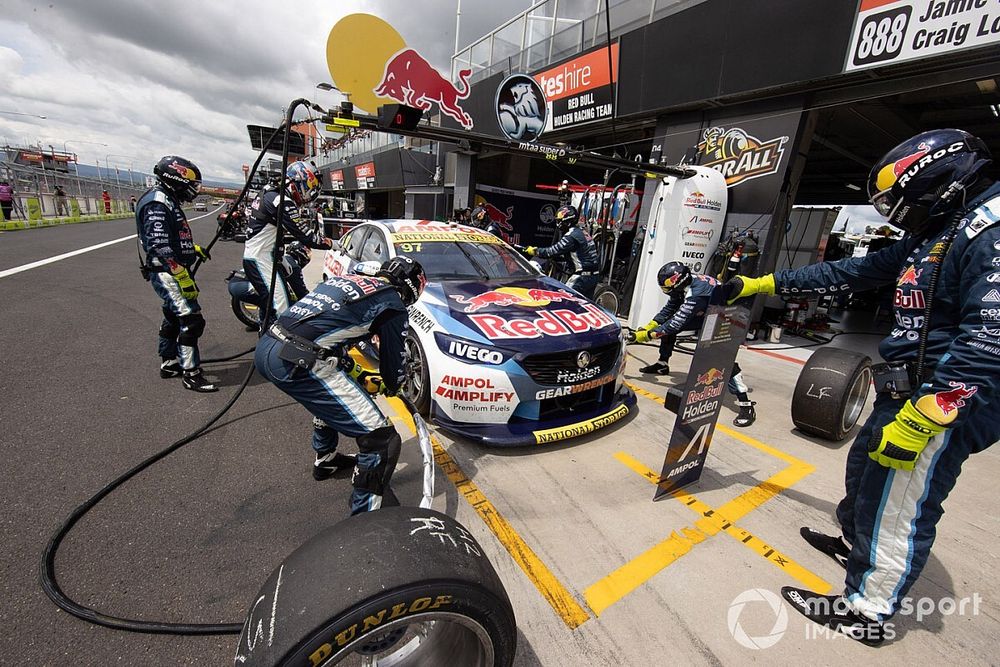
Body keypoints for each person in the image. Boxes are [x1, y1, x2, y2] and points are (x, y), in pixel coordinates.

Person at [730, 129, 1000, 644]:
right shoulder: (939, 233)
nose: (898, 213)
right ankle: (858, 544)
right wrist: (762, 284)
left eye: (902, 202)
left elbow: (991, 339)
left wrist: (928, 414)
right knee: (865, 479)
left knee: (898, 503)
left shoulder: (991, 228)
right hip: (904, 392)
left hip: (942, 401)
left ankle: (869, 610)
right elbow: (853, 270)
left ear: (938, 181)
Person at [255, 256, 427, 515]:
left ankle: (326, 459)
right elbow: (393, 369)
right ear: (411, 287)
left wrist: (357, 373)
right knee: (383, 440)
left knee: (329, 392)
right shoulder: (392, 304)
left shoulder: (349, 280)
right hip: (297, 361)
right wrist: (394, 385)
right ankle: (364, 519)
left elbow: (330, 334)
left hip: (269, 346)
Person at [632, 261, 756, 427]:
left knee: (721, 358)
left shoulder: (696, 294)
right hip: (708, 312)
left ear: (678, 281)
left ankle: (745, 404)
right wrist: (650, 326)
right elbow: (670, 308)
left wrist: (646, 336)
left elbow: (676, 324)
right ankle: (662, 364)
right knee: (668, 325)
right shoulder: (687, 282)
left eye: (668, 286)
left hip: (726, 318)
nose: (666, 289)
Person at [135, 155, 216, 392]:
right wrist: (180, 273)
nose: (193, 190)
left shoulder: (166, 198)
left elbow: (171, 237)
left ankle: (169, 362)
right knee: (191, 320)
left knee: (172, 316)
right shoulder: (157, 202)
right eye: (190, 184)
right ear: (175, 178)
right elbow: (158, 243)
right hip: (166, 271)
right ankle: (191, 373)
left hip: (171, 268)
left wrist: (192, 249)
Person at [243, 161, 332, 327]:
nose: (308, 195)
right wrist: (332, 244)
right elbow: (306, 236)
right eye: (307, 188)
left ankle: (265, 337)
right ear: (297, 182)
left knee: (269, 308)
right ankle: (275, 350)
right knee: (280, 309)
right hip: (261, 260)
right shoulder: (280, 200)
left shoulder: (269, 192)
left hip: (263, 257)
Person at [523, 205, 601, 298]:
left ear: (567, 221)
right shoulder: (582, 232)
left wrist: (535, 251)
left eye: (560, 221)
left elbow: (552, 251)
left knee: (564, 300)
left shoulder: (571, 236)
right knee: (586, 306)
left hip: (582, 277)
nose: (558, 224)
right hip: (594, 276)